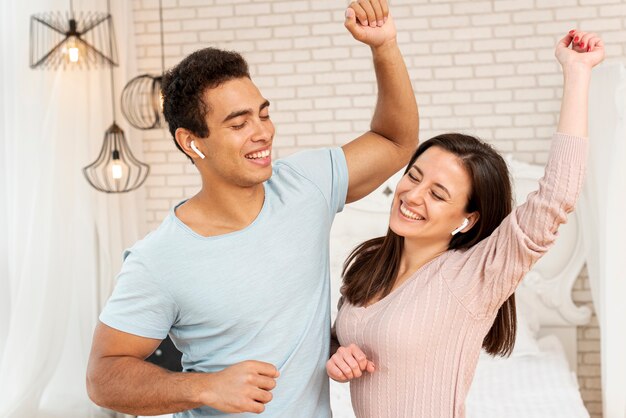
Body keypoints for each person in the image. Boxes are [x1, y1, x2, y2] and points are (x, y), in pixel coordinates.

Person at [86, 1, 418, 417]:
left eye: (263, 114)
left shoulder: (305, 184)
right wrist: (205, 387)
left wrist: (383, 46)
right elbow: (103, 376)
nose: (263, 133)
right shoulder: (158, 259)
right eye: (239, 124)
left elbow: (395, 141)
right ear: (192, 142)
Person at [327, 30, 604, 418]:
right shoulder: (369, 260)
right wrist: (337, 354)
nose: (413, 195)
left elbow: (556, 197)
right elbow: (340, 335)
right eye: (414, 176)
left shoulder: (474, 276)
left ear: (468, 218)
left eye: (439, 194)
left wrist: (576, 73)